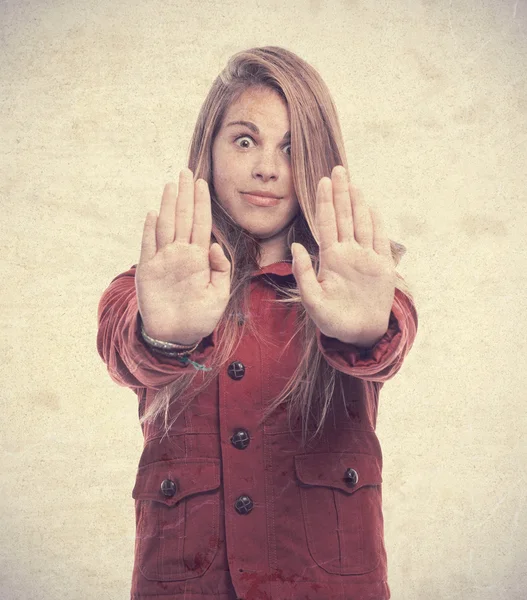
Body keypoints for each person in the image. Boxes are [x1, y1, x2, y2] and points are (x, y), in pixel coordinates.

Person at [97, 45, 418, 600]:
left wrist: (367, 329)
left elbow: (390, 332)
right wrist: (162, 336)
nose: (267, 167)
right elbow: (122, 344)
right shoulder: (153, 283)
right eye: (245, 140)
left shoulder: (353, 280)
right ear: (210, 150)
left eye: (291, 148)